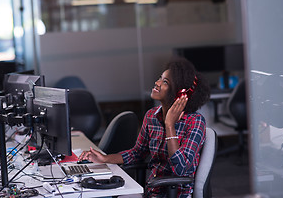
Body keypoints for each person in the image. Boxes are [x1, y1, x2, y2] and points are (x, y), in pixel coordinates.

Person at [79, 56, 210, 197]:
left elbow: (180, 168)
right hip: (152, 191)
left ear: (180, 94)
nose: (157, 83)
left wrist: (169, 125)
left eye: (165, 82)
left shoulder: (195, 122)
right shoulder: (151, 116)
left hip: (177, 194)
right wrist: (105, 159)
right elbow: (137, 153)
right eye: (160, 78)